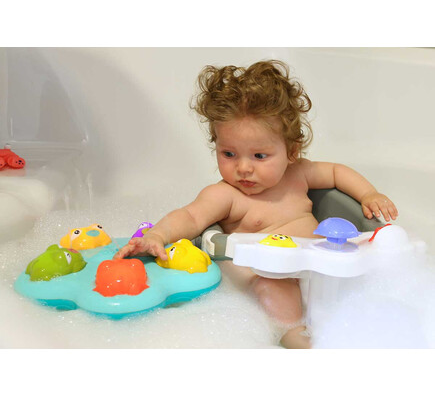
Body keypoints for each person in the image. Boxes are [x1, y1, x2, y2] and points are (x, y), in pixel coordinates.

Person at [114, 60, 398, 348]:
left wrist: (369, 194)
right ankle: (293, 336)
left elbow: (337, 172)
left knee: (363, 283)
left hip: (316, 272)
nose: (243, 168)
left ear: (291, 151)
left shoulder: (298, 174)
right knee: (272, 289)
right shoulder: (226, 195)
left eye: (259, 156)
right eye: (229, 154)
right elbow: (190, 217)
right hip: (268, 278)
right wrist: (157, 235)